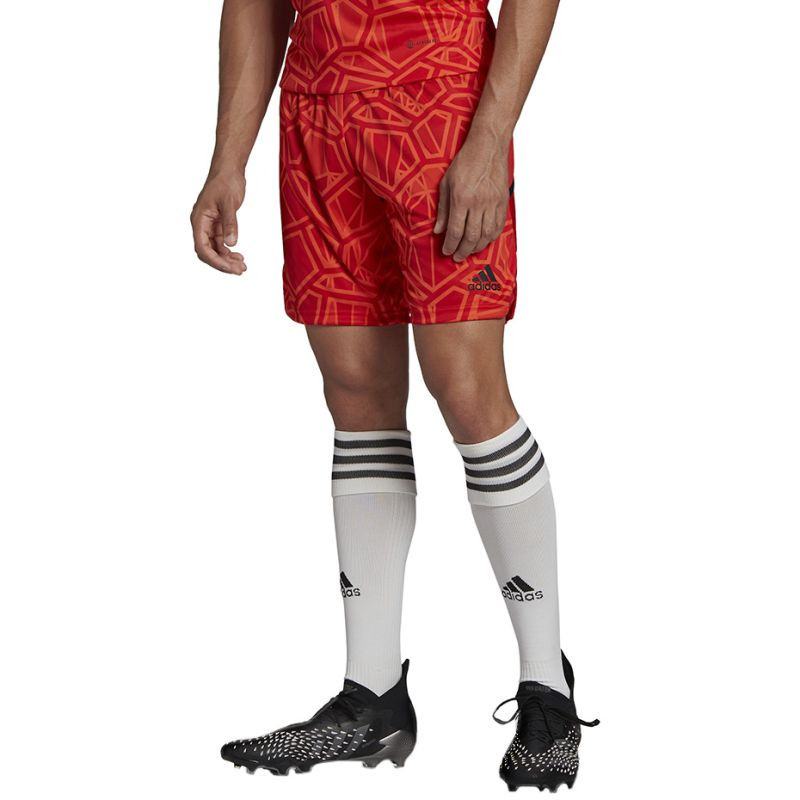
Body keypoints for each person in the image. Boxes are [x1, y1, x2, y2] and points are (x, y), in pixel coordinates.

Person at [191, 0, 597, 790]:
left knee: (467, 390)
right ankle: (371, 695)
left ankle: (547, 685)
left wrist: (491, 137)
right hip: (318, 108)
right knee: (355, 393)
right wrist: (226, 159)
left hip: (438, 93)